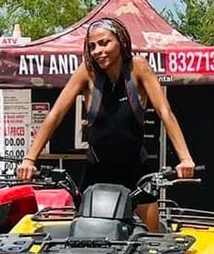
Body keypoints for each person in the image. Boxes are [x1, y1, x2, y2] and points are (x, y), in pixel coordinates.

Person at [15, 18, 197, 232]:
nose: (98, 51)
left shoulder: (138, 67)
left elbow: (165, 113)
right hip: (96, 175)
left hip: (136, 174)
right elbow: (55, 114)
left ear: (121, 41)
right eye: (92, 46)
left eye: (104, 43)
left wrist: (185, 158)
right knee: (84, 239)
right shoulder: (87, 72)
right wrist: (29, 159)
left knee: (153, 245)